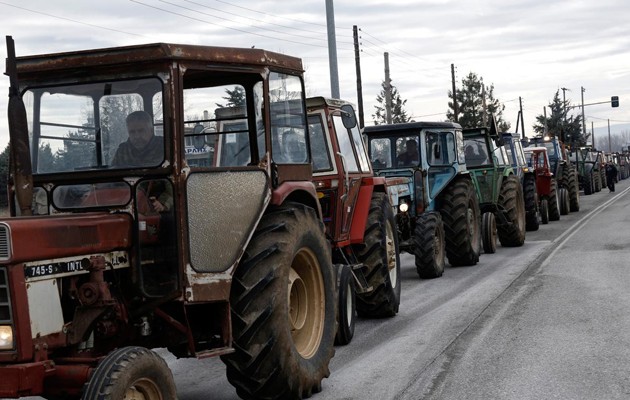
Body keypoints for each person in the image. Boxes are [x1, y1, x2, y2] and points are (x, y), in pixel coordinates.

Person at [113, 110, 171, 212]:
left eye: (141, 131)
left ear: (151, 130)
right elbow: (113, 180)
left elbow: (174, 181)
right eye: (132, 132)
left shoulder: (164, 148)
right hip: (127, 203)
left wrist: (163, 203)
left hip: (156, 202)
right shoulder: (122, 151)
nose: (137, 136)